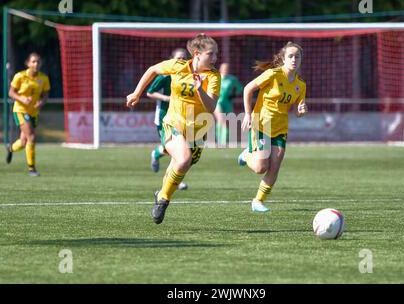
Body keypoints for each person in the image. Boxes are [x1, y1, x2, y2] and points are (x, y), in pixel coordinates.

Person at [126, 33, 221, 224]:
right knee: (183, 159)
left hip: (197, 131)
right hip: (173, 123)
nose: (215, 58)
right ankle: (163, 201)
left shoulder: (213, 77)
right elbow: (153, 70)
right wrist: (137, 93)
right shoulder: (178, 66)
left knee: (180, 164)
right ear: (196, 54)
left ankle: (161, 193)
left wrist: (199, 89)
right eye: (211, 54)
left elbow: (210, 107)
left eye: (216, 54)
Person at [238, 42, 308, 212]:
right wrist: (248, 114)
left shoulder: (301, 85)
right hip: (262, 124)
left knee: (275, 166)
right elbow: (248, 89)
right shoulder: (273, 74)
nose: (294, 59)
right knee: (260, 168)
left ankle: (258, 201)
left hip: (280, 128)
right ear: (283, 59)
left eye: (297, 56)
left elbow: (297, 112)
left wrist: (301, 111)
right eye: (290, 56)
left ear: (301, 60)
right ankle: (247, 155)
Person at [147, 48, 189, 190]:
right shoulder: (165, 76)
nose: (181, 60)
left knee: (180, 149)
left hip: (181, 118)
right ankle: (157, 154)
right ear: (171, 59)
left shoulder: (188, 75)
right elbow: (150, 92)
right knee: (172, 149)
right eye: (178, 58)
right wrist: (167, 98)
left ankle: (174, 180)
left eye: (184, 57)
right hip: (164, 116)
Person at [6, 52, 50, 176]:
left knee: (23, 142)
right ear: (28, 63)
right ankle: (32, 169)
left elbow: (46, 95)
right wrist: (22, 99)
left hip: (33, 112)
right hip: (20, 110)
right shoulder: (20, 76)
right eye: (33, 61)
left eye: (38, 62)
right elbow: (11, 92)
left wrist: (41, 103)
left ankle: (10, 149)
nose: (36, 64)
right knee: (32, 137)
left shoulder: (43, 78)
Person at [214, 63, 243, 146]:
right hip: (217, 102)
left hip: (227, 102)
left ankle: (222, 141)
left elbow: (240, 88)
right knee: (221, 119)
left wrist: (234, 94)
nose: (225, 70)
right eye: (223, 68)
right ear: (220, 69)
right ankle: (221, 142)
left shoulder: (232, 79)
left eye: (227, 69)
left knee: (225, 121)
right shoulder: (216, 77)